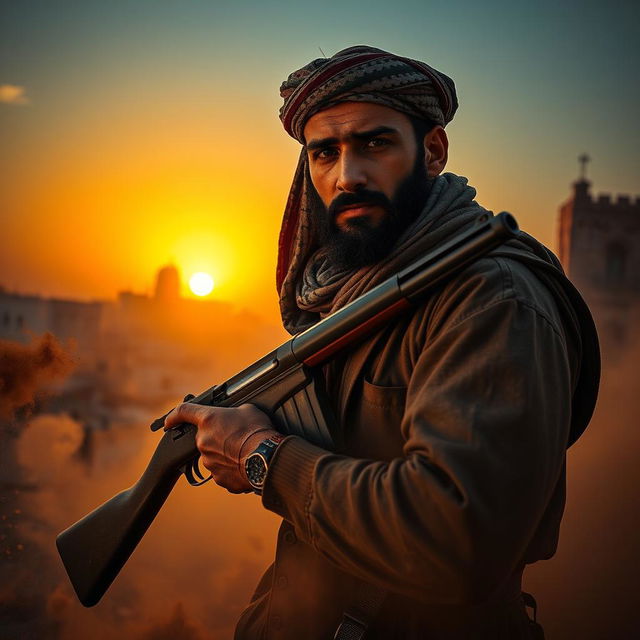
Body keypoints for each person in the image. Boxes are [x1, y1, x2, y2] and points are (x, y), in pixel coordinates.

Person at [164, 46, 600, 639]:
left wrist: (261, 457)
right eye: (325, 153)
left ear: (434, 151)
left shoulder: (492, 298)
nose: (348, 176)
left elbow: (454, 541)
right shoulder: (357, 292)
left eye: (375, 144)